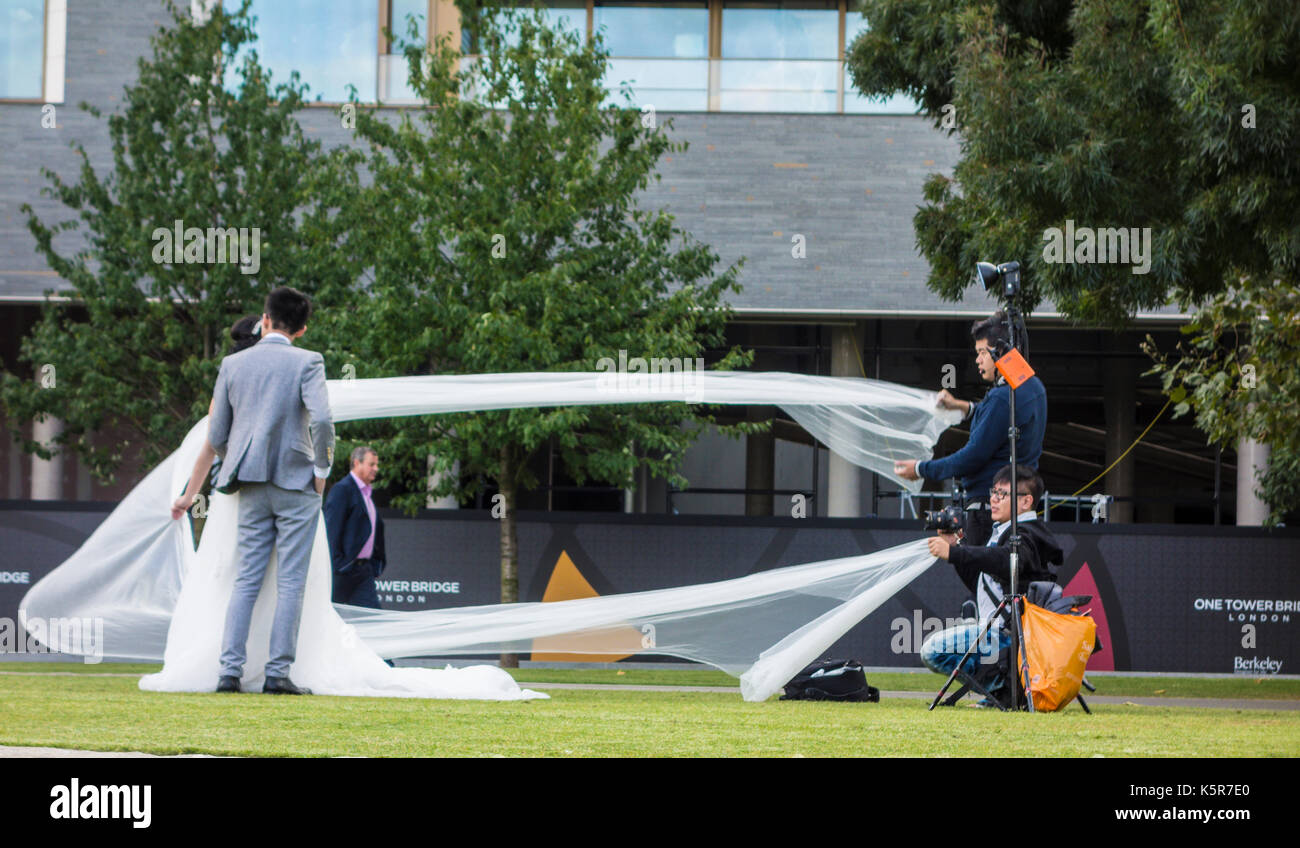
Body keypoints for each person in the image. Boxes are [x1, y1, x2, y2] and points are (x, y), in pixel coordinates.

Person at [207, 286, 334, 695]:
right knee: (291, 582)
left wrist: (237, 459)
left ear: (264, 318)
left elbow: (216, 433)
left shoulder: (232, 364)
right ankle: (277, 674)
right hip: (297, 480)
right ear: (302, 329)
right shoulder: (308, 362)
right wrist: (322, 468)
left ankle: (229, 672)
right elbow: (324, 419)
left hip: (251, 480)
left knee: (246, 580)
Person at [893, 312, 1047, 546]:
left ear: (1000, 352)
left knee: (979, 574)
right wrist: (963, 407)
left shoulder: (1002, 399)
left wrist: (921, 469)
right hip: (1012, 507)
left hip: (987, 510)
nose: (977, 360)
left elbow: (972, 456)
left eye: (982, 353)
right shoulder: (1033, 387)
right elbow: (1002, 418)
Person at [919, 464, 1062, 700]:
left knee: (933, 651)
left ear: (1026, 502)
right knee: (934, 650)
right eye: (993, 492)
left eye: (1003, 494)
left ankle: (1005, 689)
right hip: (1000, 633)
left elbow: (1006, 561)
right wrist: (956, 547)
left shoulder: (1026, 534)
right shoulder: (1009, 530)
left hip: (1011, 636)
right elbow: (982, 581)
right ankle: (1003, 688)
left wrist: (954, 553)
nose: (994, 500)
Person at [170, 315, 261, 521]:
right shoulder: (285, 375)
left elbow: (213, 442)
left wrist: (188, 496)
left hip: (233, 478)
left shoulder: (228, 383)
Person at [324, 446, 385, 608]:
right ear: (357, 463)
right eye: (371, 464)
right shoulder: (342, 490)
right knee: (329, 616)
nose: (376, 469)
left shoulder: (366, 493)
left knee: (372, 620)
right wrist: (338, 565)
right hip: (342, 571)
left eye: (376, 465)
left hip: (363, 571)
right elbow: (331, 530)